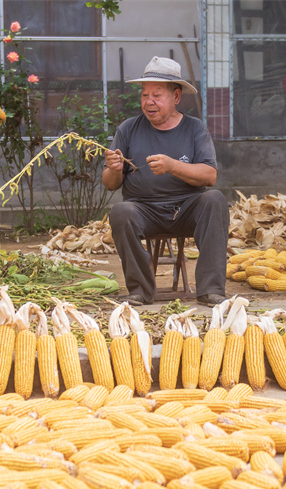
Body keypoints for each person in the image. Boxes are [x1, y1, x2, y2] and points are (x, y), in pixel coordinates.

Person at [102, 56, 229, 307]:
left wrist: (172, 165)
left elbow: (210, 176)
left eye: (157, 95)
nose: (149, 102)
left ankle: (211, 289)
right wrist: (114, 168)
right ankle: (139, 290)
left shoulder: (195, 129)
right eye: (144, 95)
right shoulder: (128, 129)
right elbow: (110, 184)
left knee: (214, 200)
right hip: (144, 210)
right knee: (120, 212)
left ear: (176, 97)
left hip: (187, 208)